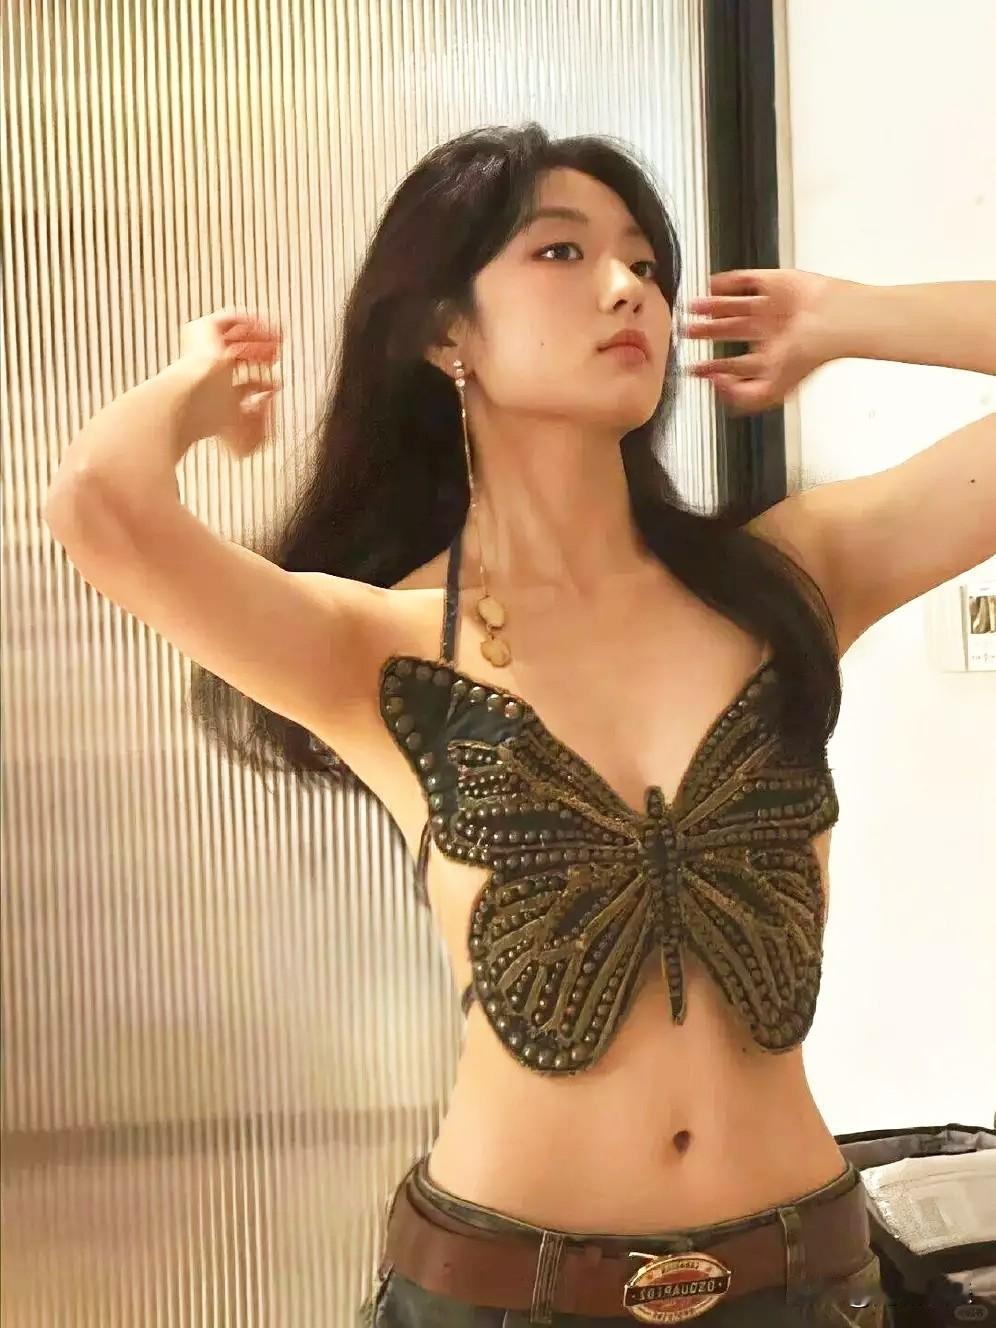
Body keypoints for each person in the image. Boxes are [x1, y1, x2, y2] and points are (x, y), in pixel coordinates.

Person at [44, 125, 995, 1326]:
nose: (628, 287)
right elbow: (100, 507)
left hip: (803, 1281)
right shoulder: (380, 643)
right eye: (562, 251)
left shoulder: (786, 581)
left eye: (645, 262)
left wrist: (855, 317)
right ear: (446, 331)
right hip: (507, 1293)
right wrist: (194, 388)